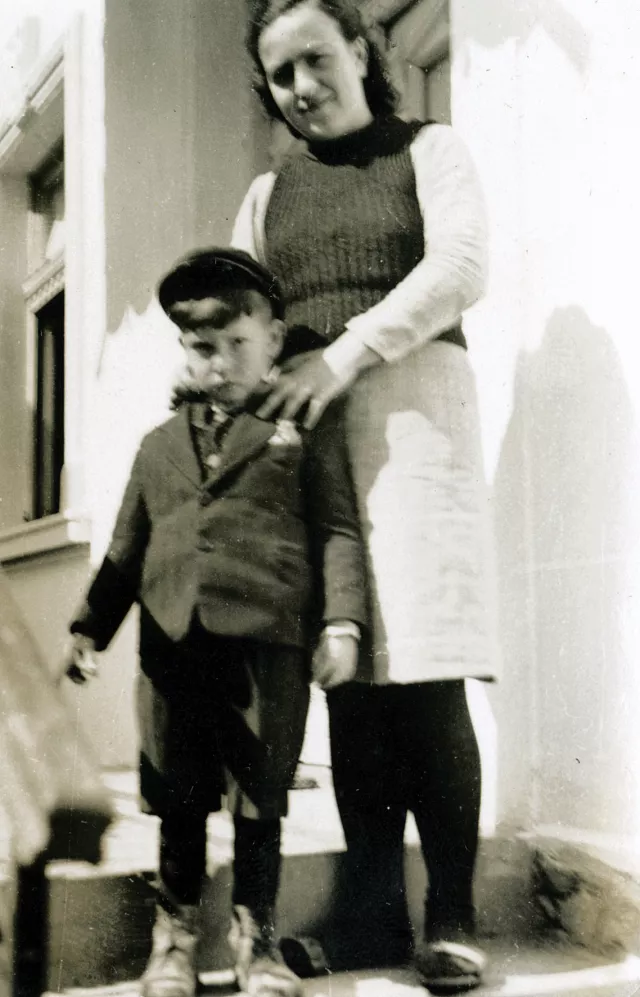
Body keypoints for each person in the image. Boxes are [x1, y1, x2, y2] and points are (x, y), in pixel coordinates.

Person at [232, 1, 497, 992]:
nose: (302, 85)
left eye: (316, 58)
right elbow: (242, 313)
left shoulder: (430, 149)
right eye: (280, 74)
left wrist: (340, 353)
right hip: (312, 445)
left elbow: (461, 268)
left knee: (425, 676)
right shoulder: (266, 195)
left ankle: (455, 916)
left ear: (360, 50)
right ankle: (374, 914)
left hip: (417, 421)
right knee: (349, 677)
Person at [65, 248, 368, 997]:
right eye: (205, 345)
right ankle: (173, 940)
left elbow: (336, 528)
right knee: (178, 795)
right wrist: (86, 629)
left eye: (240, 342)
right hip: (172, 648)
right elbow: (126, 549)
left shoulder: (300, 428)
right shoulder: (156, 446)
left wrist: (343, 624)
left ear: (274, 339)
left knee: (261, 798)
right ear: (184, 349)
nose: (223, 359)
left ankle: (254, 939)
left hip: (268, 646)